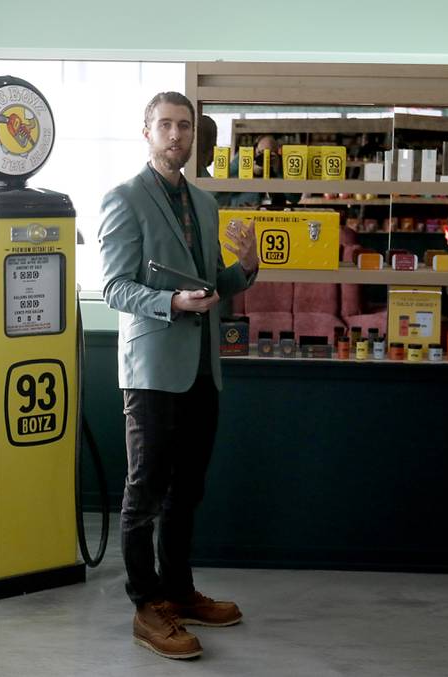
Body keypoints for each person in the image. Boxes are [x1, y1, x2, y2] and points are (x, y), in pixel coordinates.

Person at [98, 91, 259, 660]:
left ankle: (180, 592)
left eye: (184, 126)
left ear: (195, 135)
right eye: (165, 125)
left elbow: (216, 283)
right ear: (147, 132)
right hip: (150, 371)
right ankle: (147, 605)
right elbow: (114, 288)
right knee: (144, 492)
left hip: (199, 370)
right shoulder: (123, 198)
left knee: (187, 491)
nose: (175, 136)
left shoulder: (205, 203)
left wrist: (248, 266)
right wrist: (173, 302)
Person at [216, 133, 299, 208]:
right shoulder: (244, 157)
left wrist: (279, 171)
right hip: (243, 208)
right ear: (255, 148)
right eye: (261, 153)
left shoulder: (283, 163)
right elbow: (223, 187)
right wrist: (250, 172)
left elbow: (294, 198)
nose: (264, 158)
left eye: (270, 154)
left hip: (273, 214)